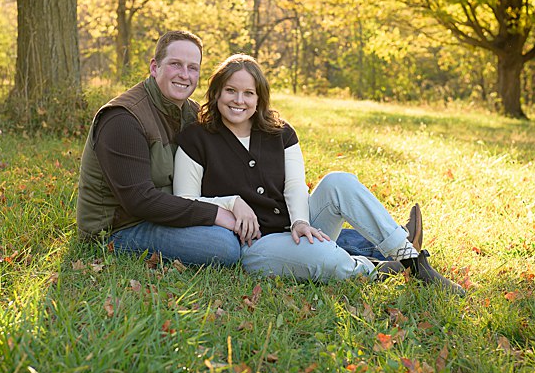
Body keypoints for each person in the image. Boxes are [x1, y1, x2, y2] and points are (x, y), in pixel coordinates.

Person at [173, 54, 459, 292]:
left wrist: (300, 221)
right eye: (231, 91)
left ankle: (412, 261)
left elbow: (295, 185)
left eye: (249, 93)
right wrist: (230, 202)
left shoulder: (279, 132)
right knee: (324, 256)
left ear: (259, 99)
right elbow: (184, 200)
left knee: (339, 181)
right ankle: (378, 268)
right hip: (255, 244)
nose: (239, 100)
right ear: (217, 92)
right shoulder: (197, 138)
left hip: (298, 228)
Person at [76, 30, 246, 266]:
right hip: (120, 228)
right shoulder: (123, 118)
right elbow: (139, 200)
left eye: (192, 67)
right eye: (175, 64)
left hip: (167, 214)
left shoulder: (191, 113)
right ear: (155, 67)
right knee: (223, 246)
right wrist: (217, 214)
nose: (184, 75)